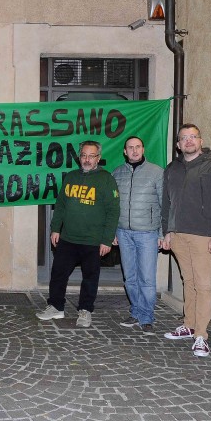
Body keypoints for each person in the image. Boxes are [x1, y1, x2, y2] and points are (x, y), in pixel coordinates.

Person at [161, 124, 211, 357]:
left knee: (203, 285)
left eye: (193, 137)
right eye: (184, 138)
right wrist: (167, 231)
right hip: (178, 235)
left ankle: (201, 335)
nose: (189, 141)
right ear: (178, 144)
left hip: (204, 236)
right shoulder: (172, 169)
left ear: (201, 141)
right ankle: (189, 324)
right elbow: (167, 203)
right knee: (189, 281)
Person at [37, 141, 120, 328]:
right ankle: (55, 307)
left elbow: (113, 211)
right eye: (84, 155)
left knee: (90, 277)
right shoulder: (71, 177)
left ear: (98, 158)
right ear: (79, 157)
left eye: (91, 156)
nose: (87, 159)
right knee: (58, 273)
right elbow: (61, 205)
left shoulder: (106, 179)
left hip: (93, 240)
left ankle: (85, 310)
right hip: (68, 238)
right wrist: (55, 228)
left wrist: (107, 239)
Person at [112, 136, 163, 335]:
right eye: (130, 148)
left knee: (147, 279)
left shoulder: (157, 172)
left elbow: (165, 204)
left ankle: (147, 317)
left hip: (148, 234)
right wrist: (113, 231)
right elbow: (113, 206)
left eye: (138, 147)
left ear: (143, 149)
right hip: (123, 233)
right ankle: (135, 311)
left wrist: (162, 234)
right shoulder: (117, 173)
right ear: (125, 151)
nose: (134, 151)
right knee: (130, 277)